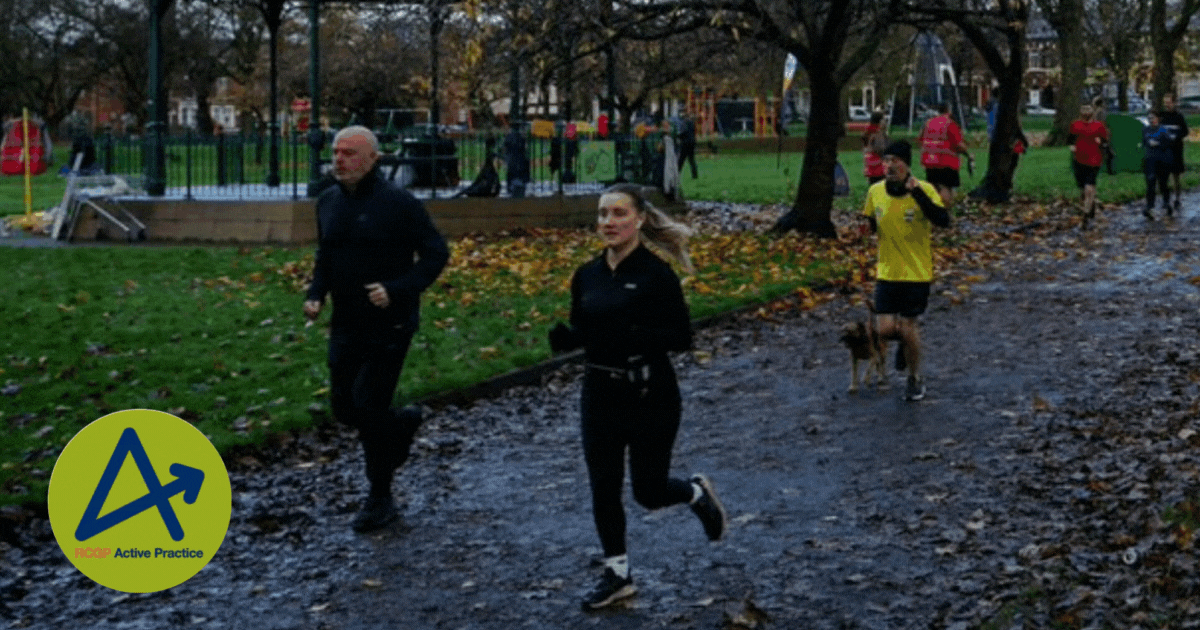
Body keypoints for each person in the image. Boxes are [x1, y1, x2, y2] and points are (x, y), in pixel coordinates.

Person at [548, 183, 727, 611]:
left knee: (648, 491)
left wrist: (633, 335)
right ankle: (618, 574)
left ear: (640, 219)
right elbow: (587, 328)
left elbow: (681, 337)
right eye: (603, 214)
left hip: (650, 393)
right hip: (599, 393)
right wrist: (569, 339)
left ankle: (695, 493)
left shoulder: (656, 275)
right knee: (604, 486)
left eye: (619, 214)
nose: (608, 222)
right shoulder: (587, 275)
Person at [303, 126, 450, 533]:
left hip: (391, 323)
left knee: (369, 404)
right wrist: (316, 294)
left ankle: (380, 498)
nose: (339, 160)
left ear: (373, 159)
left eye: (350, 153)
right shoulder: (328, 201)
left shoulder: (399, 204)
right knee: (345, 407)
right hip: (346, 321)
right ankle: (400, 425)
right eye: (336, 152)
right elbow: (326, 254)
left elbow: (436, 253)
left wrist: (398, 289)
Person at [860, 141, 951, 401]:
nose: (889, 166)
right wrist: (866, 229)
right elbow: (871, 221)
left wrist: (918, 194)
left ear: (906, 164)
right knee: (884, 330)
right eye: (886, 160)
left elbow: (943, 221)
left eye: (895, 161)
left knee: (909, 326)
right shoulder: (875, 191)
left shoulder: (925, 189)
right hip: (887, 271)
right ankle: (905, 342)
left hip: (916, 273)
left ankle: (914, 378)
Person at [918, 102, 973, 208]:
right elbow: (958, 144)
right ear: (948, 110)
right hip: (946, 161)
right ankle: (945, 210)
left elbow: (921, 139)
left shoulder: (928, 122)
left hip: (929, 160)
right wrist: (967, 153)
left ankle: (934, 209)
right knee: (946, 187)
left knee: (934, 186)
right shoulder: (950, 123)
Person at [1068, 104, 1110, 228]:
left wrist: (1100, 142)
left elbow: (1105, 141)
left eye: (1088, 110)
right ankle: (1091, 206)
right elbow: (1070, 138)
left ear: (1092, 113)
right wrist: (1072, 146)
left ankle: (1085, 215)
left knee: (1089, 187)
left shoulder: (1099, 125)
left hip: (1094, 160)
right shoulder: (1075, 125)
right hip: (1079, 159)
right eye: (1084, 110)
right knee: (1083, 189)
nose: (1086, 113)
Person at [1142, 110, 1177, 220]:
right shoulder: (1146, 130)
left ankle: (1166, 203)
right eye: (1149, 118)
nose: (1151, 120)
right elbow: (1144, 141)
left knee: (1163, 183)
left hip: (1163, 160)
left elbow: (1169, 142)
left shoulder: (1163, 130)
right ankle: (1149, 206)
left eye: (1152, 118)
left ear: (1158, 118)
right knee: (1150, 183)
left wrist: (1158, 144)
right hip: (1150, 160)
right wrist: (1148, 144)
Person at [1160, 93, 1189, 214]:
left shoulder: (1179, 117)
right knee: (1164, 176)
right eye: (1165, 103)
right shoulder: (1162, 116)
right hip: (1165, 150)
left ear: (1174, 103)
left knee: (1176, 176)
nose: (1167, 105)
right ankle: (1166, 199)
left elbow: (1185, 131)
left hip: (1176, 150)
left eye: (1169, 103)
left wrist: (1176, 136)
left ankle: (1177, 198)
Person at [503, 122, 530, 198]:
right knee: (519, 175)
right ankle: (519, 188)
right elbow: (525, 148)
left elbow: (505, 148)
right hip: (520, 159)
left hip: (511, 159)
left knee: (511, 174)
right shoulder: (521, 137)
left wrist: (505, 158)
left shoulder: (509, 137)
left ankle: (510, 189)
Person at [862, 111, 889, 185]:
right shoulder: (878, 133)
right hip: (879, 167)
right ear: (879, 121)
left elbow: (865, 150)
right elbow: (881, 148)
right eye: (884, 119)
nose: (885, 121)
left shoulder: (869, 132)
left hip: (871, 166)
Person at [677, 111, 698, 179]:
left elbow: (683, 132)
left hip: (685, 143)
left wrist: (678, 136)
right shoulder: (692, 123)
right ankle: (695, 174)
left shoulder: (684, 123)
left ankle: (677, 172)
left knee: (681, 160)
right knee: (691, 159)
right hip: (692, 143)